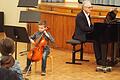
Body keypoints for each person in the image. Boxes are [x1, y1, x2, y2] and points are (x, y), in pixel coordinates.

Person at [72, 0, 102, 65]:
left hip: (86, 33)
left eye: (91, 7)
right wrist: (93, 29)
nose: (91, 9)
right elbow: (84, 28)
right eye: (89, 7)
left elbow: (90, 26)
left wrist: (95, 28)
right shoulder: (80, 16)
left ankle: (102, 58)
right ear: (84, 8)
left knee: (100, 38)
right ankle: (98, 59)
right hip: (80, 35)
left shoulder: (87, 15)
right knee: (95, 40)